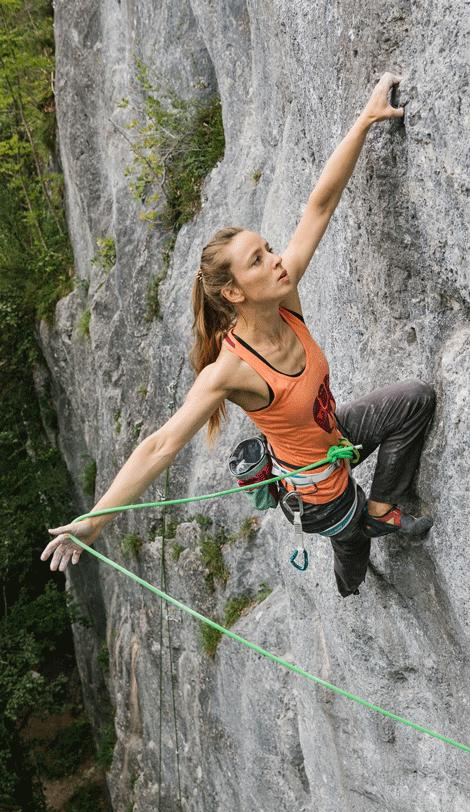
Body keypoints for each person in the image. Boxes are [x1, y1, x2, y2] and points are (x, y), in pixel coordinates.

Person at [41, 72, 436, 598]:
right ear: (233, 292)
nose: (276, 260)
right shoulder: (232, 370)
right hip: (318, 494)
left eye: (268, 249)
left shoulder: (283, 296)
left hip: (334, 439)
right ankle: (351, 581)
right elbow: (160, 445)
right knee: (353, 546)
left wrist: (365, 120)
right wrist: (94, 522)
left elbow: (320, 206)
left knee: (414, 400)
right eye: (258, 260)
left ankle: (380, 510)